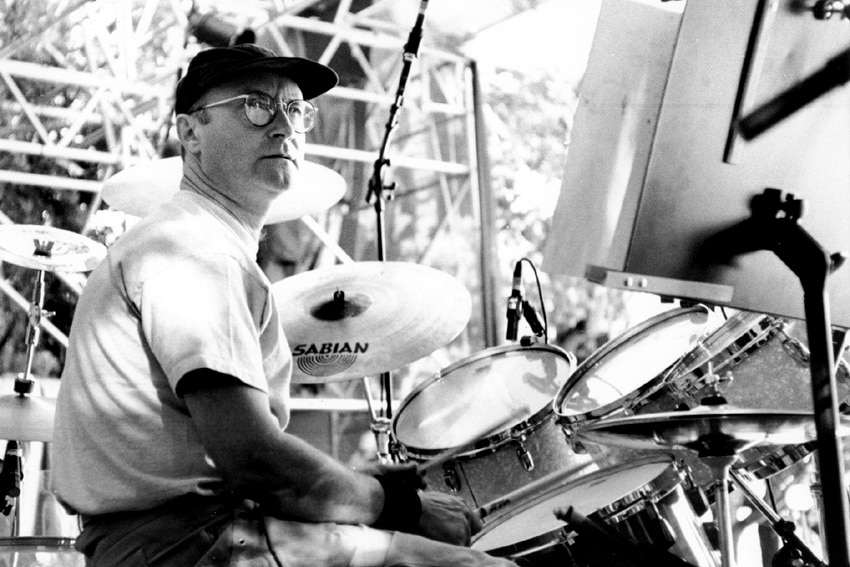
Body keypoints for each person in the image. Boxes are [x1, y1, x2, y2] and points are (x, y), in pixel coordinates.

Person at [50, 43, 518, 567]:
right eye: (255, 105)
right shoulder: (195, 249)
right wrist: (399, 507)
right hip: (193, 546)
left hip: (195, 537)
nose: (284, 127)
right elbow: (253, 461)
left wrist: (359, 485)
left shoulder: (197, 242)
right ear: (190, 133)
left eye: (297, 110)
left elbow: (241, 461)